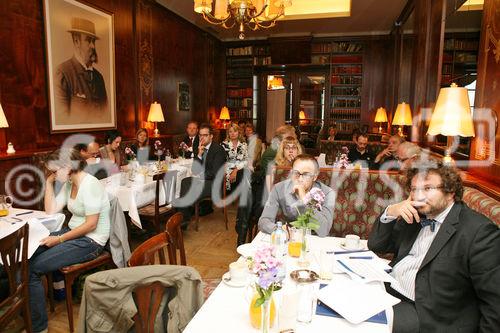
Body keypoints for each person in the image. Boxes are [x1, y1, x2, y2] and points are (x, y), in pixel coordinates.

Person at [368, 160, 500, 332]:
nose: (418, 196)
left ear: (450, 191)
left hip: (425, 314)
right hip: (387, 290)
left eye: (428, 188)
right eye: (414, 189)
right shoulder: (418, 215)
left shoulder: (479, 232)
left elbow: (495, 303)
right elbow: (377, 245)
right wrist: (391, 211)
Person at [29, 148, 110, 333]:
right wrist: (49, 183)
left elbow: (91, 225)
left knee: (33, 268)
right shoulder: (70, 183)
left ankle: (38, 328)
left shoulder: (90, 184)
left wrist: (59, 240)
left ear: (67, 166)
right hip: (74, 233)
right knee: (29, 253)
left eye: (55, 171)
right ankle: (40, 299)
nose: (54, 175)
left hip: (91, 241)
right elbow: (51, 211)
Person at [258, 154, 334, 237]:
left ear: (315, 177)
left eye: (306, 174)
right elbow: (263, 221)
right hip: (290, 239)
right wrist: (278, 229)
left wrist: (305, 199)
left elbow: (324, 230)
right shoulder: (279, 188)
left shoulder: (328, 193)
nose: (300, 179)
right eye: (296, 173)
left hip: (315, 240)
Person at [55, 17, 107, 125]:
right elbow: (63, 119)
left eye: (93, 41)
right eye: (88, 40)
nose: (93, 46)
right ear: (76, 41)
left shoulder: (99, 78)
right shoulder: (63, 72)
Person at [174, 124, 226, 229]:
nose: (202, 138)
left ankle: (182, 217)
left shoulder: (218, 149)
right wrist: (199, 155)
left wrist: (199, 176)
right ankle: (183, 217)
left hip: (213, 184)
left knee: (187, 184)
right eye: (200, 135)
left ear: (211, 136)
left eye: (205, 135)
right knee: (184, 181)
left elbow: (215, 173)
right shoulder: (200, 148)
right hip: (203, 181)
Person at [221, 123, 252, 246]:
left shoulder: (244, 145)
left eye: (235, 131)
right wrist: (232, 170)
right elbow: (223, 162)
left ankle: (244, 202)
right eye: (230, 132)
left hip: (238, 172)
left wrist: (236, 169)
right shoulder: (223, 145)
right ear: (228, 133)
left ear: (239, 133)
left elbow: (246, 160)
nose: (232, 133)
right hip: (227, 174)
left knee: (244, 173)